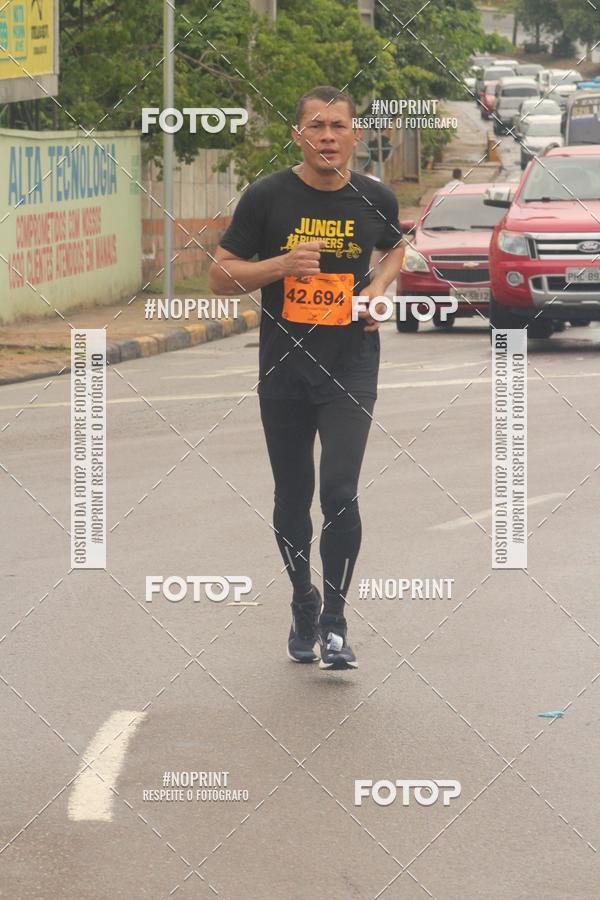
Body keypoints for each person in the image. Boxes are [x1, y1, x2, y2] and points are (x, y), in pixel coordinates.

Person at [208, 85, 404, 671]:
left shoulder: (375, 197)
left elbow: (396, 249)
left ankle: (337, 623)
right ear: (298, 135)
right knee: (292, 497)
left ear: (354, 136)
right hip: (284, 369)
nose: (327, 136)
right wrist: (281, 265)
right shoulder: (267, 197)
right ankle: (303, 600)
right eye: (315, 126)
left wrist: (376, 289)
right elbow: (220, 276)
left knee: (339, 493)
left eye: (338, 126)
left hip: (351, 363)